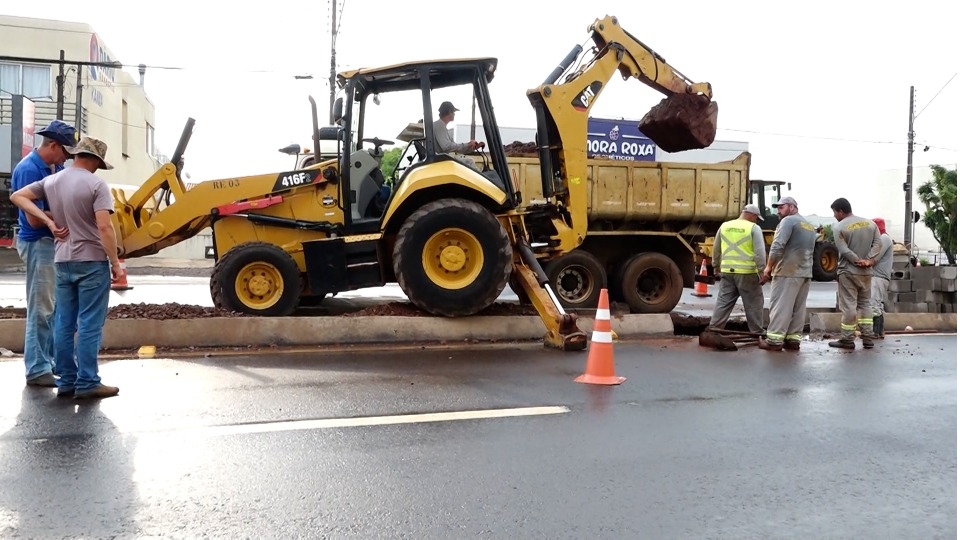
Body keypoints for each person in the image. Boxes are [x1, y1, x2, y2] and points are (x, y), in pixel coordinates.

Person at [11, 136, 122, 399]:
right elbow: (105, 227)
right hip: (92, 261)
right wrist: (115, 263)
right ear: (94, 160)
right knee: (89, 324)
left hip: (62, 260)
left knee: (63, 322)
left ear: (75, 155)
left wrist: (48, 223)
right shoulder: (96, 185)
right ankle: (88, 382)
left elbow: (18, 196)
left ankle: (67, 381)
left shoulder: (52, 181)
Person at [11, 119, 77, 387]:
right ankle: (38, 368)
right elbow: (35, 220)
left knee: (53, 307)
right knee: (42, 308)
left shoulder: (54, 166)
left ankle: (46, 362)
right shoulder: (30, 170)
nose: (68, 158)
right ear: (53, 145)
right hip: (39, 242)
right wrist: (69, 216)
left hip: (49, 243)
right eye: (65, 151)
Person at [759, 196, 817, 351]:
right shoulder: (809, 225)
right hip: (805, 273)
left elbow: (777, 245)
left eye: (781, 207)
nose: (778, 211)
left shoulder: (788, 221)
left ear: (792, 207)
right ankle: (793, 340)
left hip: (788, 271)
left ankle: (774, 341)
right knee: (798, 308)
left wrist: (768, 268)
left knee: (781, 306)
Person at [828, 197, 882, 350]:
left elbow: (843, 250)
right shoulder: (871, 224)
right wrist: (868, 261)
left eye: (834, 212)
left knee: (849, 305)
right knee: (865, 304)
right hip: (866, 272)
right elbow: (878, 243)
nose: (834, 216)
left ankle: (847, 339)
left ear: (840, 211)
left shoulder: (839, 227)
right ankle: (868, 337)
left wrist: (857, 260)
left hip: (848, 271)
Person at [708, 204, 768, 334]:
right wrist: (762, 271)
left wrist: (716, 266)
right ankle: (756, 332)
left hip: (727, 272)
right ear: (752, 215)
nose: (756, 221)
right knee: (754, 304)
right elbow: (760, 253)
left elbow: (716, 248)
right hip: (748, 273)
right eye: (756, 218)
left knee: (723, 302)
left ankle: (713, 329)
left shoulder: (725, 226)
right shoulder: (754, 228)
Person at [870, 217, 894, 339]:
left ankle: (876, 331)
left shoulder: (884, 238)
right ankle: (880, 332)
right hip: (879, 276)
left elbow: (874, 257)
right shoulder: (884, 238)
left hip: (879, 276)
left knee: (874, 303)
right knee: (877, 303)